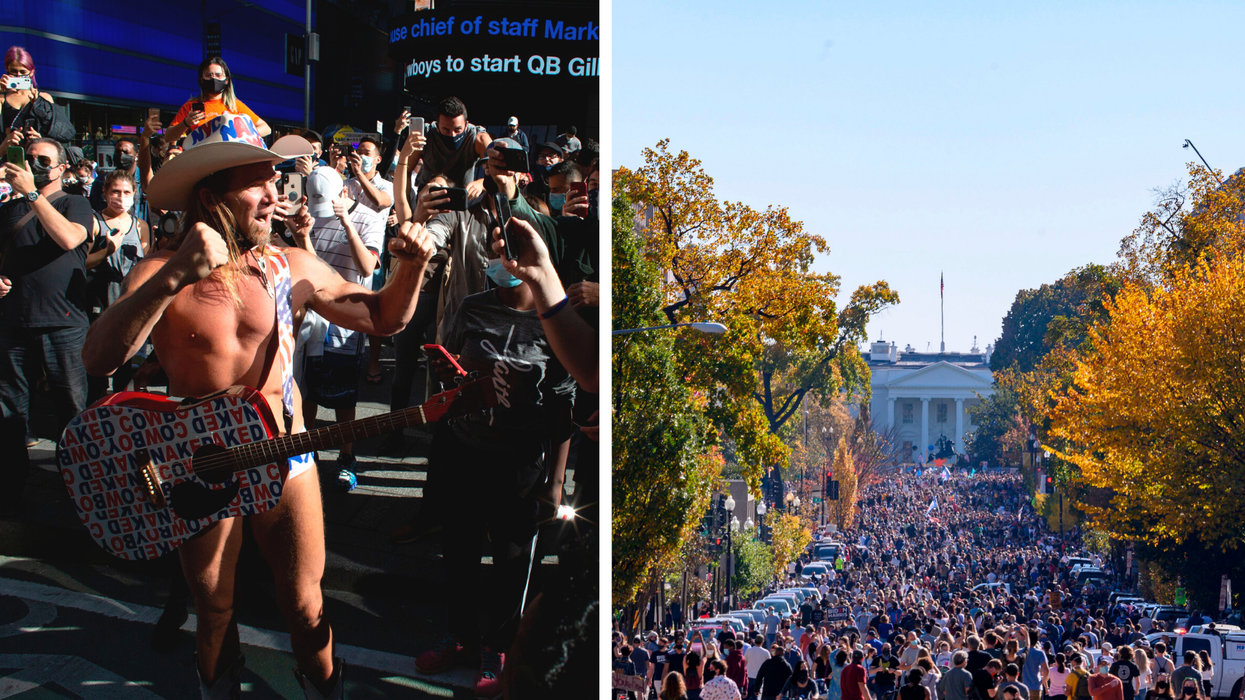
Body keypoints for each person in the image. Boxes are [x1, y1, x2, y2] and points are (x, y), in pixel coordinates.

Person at [82, 114, 435, 699]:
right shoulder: (157, 270)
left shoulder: (289, 265)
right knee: (215, 608)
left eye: (274, 179)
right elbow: (99, 359)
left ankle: (323, 690)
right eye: (256, 182)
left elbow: (382, 317)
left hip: (285, 456)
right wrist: (174, 276)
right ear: (210, 196)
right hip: (198, 466)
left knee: (304, 603)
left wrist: (413, 264)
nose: (275, 194)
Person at [0, 136, 92, 504]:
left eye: (43, 161)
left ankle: (80, 489)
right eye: (29, 158)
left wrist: (31, 195)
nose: (34, 165)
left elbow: (69, 238)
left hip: (63, 324)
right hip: (13, 322)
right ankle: (10, 489)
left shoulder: (76, 203)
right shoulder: (9, 209)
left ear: (61, 168)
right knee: (9, 411)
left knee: (71, 408)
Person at [294, 164, 382, 491]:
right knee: (305, 389)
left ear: (344, 193)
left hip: (347, 320)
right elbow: (310, 268)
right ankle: (308, 450)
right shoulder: (309, 218)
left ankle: (347, 456)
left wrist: (346, 222)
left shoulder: (369, 218)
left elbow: (367, 267)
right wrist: (300, 235)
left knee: (344, 395)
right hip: (310, 318)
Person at [84, 168, 151, 401]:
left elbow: (146, 262)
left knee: (128, 361)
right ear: (105, 192)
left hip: (131, 300)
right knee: (99, 360)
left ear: (134, 193)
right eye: (115, 192)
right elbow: (83, 261)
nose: (121, 197)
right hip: (100, 298)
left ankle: (123, 406)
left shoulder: (140, 225)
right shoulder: (94, 222)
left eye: (126, 192)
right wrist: (107, 250)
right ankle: (96, 406)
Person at [164, 56, 270, 144]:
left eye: (218, 75)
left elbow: (266, 128)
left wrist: (240, 136)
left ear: (226, 80)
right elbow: (168, 137)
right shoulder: (190, 106)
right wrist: (186, 123)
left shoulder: (235, 105)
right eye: (208, 75)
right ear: (201, 79)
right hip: (203, 159)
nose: (214, 79)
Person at [412, 96, 492, 195]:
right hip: (428, 196)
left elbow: (497, 172)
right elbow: (405, 169)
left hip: (463, 197)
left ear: (466, 125)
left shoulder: (478, 138)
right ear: (437, 127)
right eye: (446, 130)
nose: (452, 135)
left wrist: (481, 184)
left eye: (458, 130)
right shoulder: (425, 136)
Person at [2, 46, 70, 146]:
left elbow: (59, 131)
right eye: (13, 71)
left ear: (31, 72)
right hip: (10, 151)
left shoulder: (44, 98)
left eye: (23, 72)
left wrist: (41, 139)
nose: (18, 75)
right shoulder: (2, 98)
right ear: (7, 70)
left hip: (37, 151)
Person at [88, 138, 146, 223]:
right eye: (118, 152)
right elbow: (93, 209)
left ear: (136, 156)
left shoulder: (144, 181)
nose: (121, 155)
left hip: (137, 229)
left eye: (126, 152)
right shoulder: (101, 181)